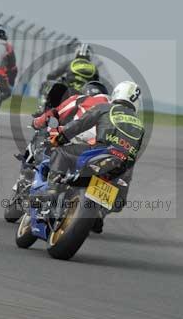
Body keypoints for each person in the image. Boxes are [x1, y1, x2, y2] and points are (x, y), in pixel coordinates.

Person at [47, 81, 144, 233]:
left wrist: (61, 137)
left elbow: (79, 125)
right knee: (119, 195)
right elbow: (134, 151)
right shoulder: (139, 124)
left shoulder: (105, 108)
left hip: (100, 151)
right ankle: (100, 212)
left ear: (117, 94)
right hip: (122, 165)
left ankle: (52, 190)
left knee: (61, 152)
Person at [32, 81, 110, 144]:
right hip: (107, 141)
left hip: (82, 137)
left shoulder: (81, 99)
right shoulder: (113, 105)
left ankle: (44, 160)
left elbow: (57, 112)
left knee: (52, 131)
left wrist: (36, 122)